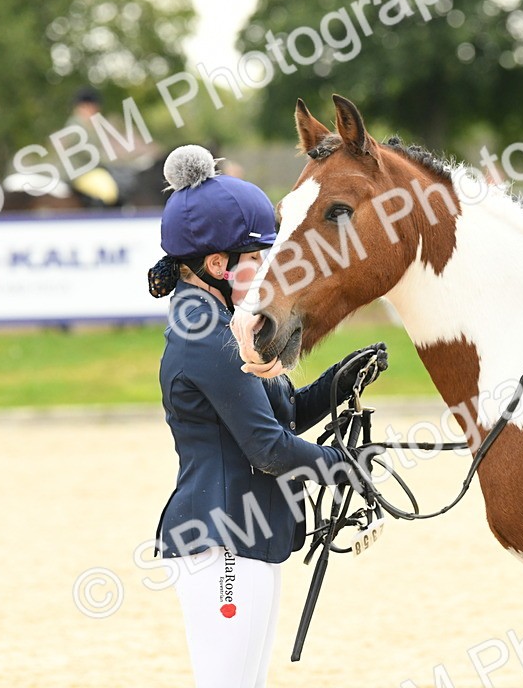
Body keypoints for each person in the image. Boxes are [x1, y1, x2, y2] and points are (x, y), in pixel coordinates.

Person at [147, 144, 387, 688]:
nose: (269, 268)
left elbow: (282, 419)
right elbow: (270, 450)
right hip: (223, 540)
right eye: (257, 257)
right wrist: (347, 465)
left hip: (246, 534)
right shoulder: (207, 338)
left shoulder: (225, 325)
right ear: (217, 264)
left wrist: (339, 379)